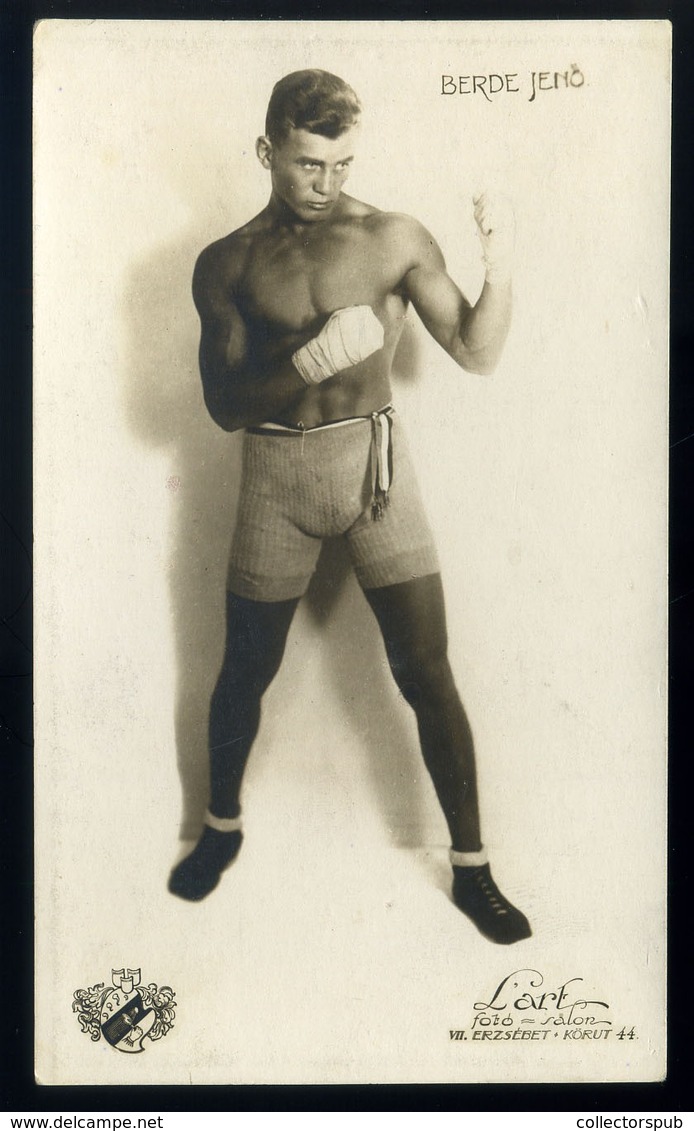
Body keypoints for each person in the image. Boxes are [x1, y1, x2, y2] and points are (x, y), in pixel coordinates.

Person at [168, 69, 531, 945]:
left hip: (376, 474)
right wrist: (309, 360)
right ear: (267, 152)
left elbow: (476, 355)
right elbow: (223, 406)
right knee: (245, 670)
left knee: (426, 672)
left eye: (340, 164)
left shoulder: (392, 237)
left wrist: (503, 263)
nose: (326, 183)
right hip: (276, 479)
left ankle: (474, 868)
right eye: (306, 165)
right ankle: (219, 831)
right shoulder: (228, 262)